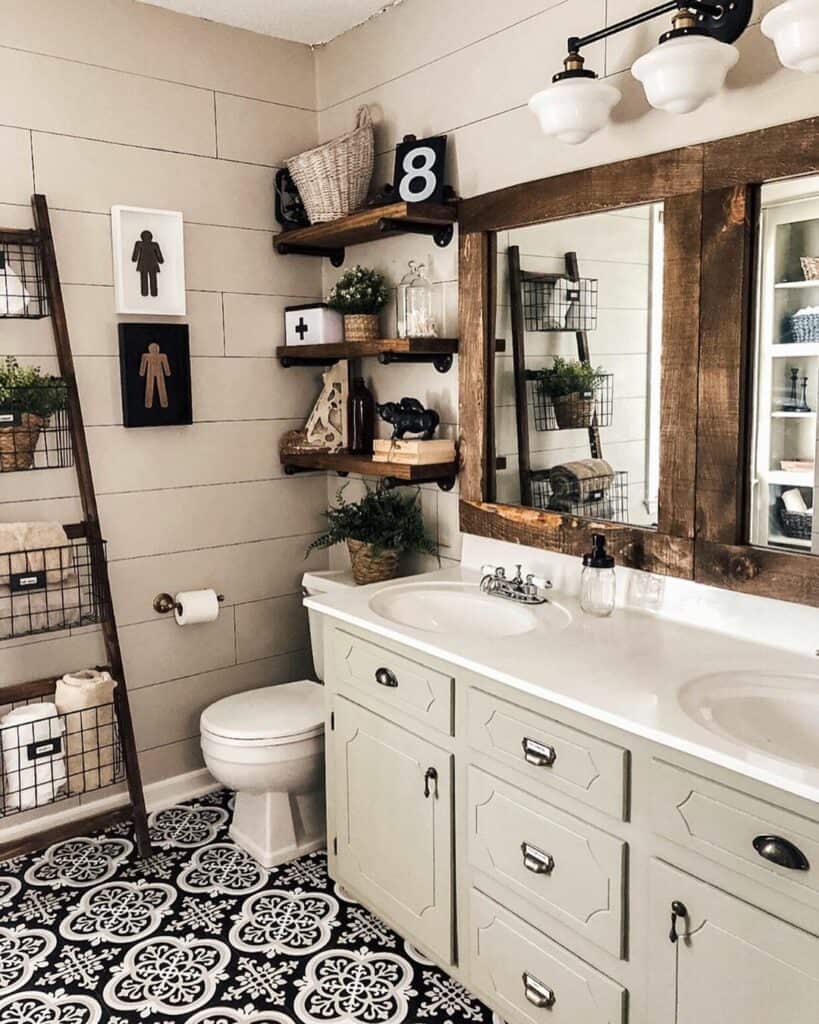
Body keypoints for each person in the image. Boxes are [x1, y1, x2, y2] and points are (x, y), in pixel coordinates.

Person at [132, 229, 164, 298]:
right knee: (153, 279)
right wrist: (160, 260)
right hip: (153, 264)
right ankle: (153, 293)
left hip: (143, 264)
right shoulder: (154, 244)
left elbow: (135, 256)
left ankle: (145, 293)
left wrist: (134, 259)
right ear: (151, 237)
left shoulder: (139, 243)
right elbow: (160, 257)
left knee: (144, 279)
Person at [139, 342, 171, 409]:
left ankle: (164, 403)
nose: (154, 350)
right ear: (150, 349)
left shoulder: (162, 356)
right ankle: (148, 403)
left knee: (161, 387)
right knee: (149, 387)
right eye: (152, 349)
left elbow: (165, 364)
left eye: (155, 349)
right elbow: (143, 364)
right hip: (150, 372)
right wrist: (142, 372)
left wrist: (167, 372)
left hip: (159, 372)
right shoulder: (146, 356)